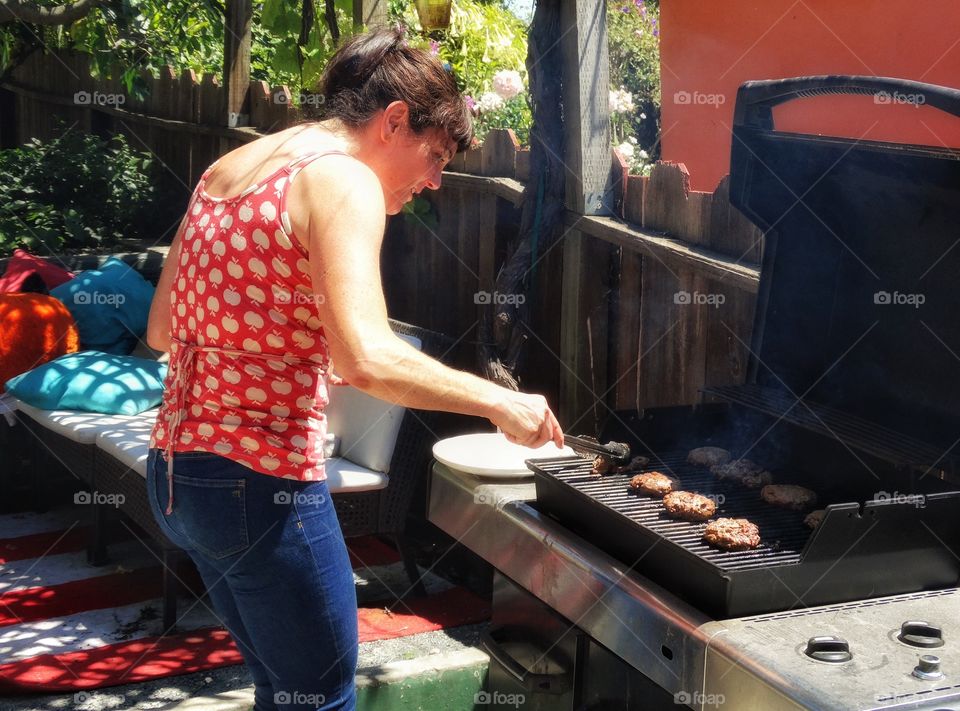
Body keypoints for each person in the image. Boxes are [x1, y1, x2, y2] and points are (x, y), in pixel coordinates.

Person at [144, 27, 563, 711]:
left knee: (287, 689)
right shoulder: (345, 180)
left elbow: (165, 328)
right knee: (323, 694)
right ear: (393, 122)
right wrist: (500, 402)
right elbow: (365, 356)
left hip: (178, 477)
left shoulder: (235, 166)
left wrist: (288, 343)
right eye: (432, 157)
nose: (432, 182)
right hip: (258, 481)